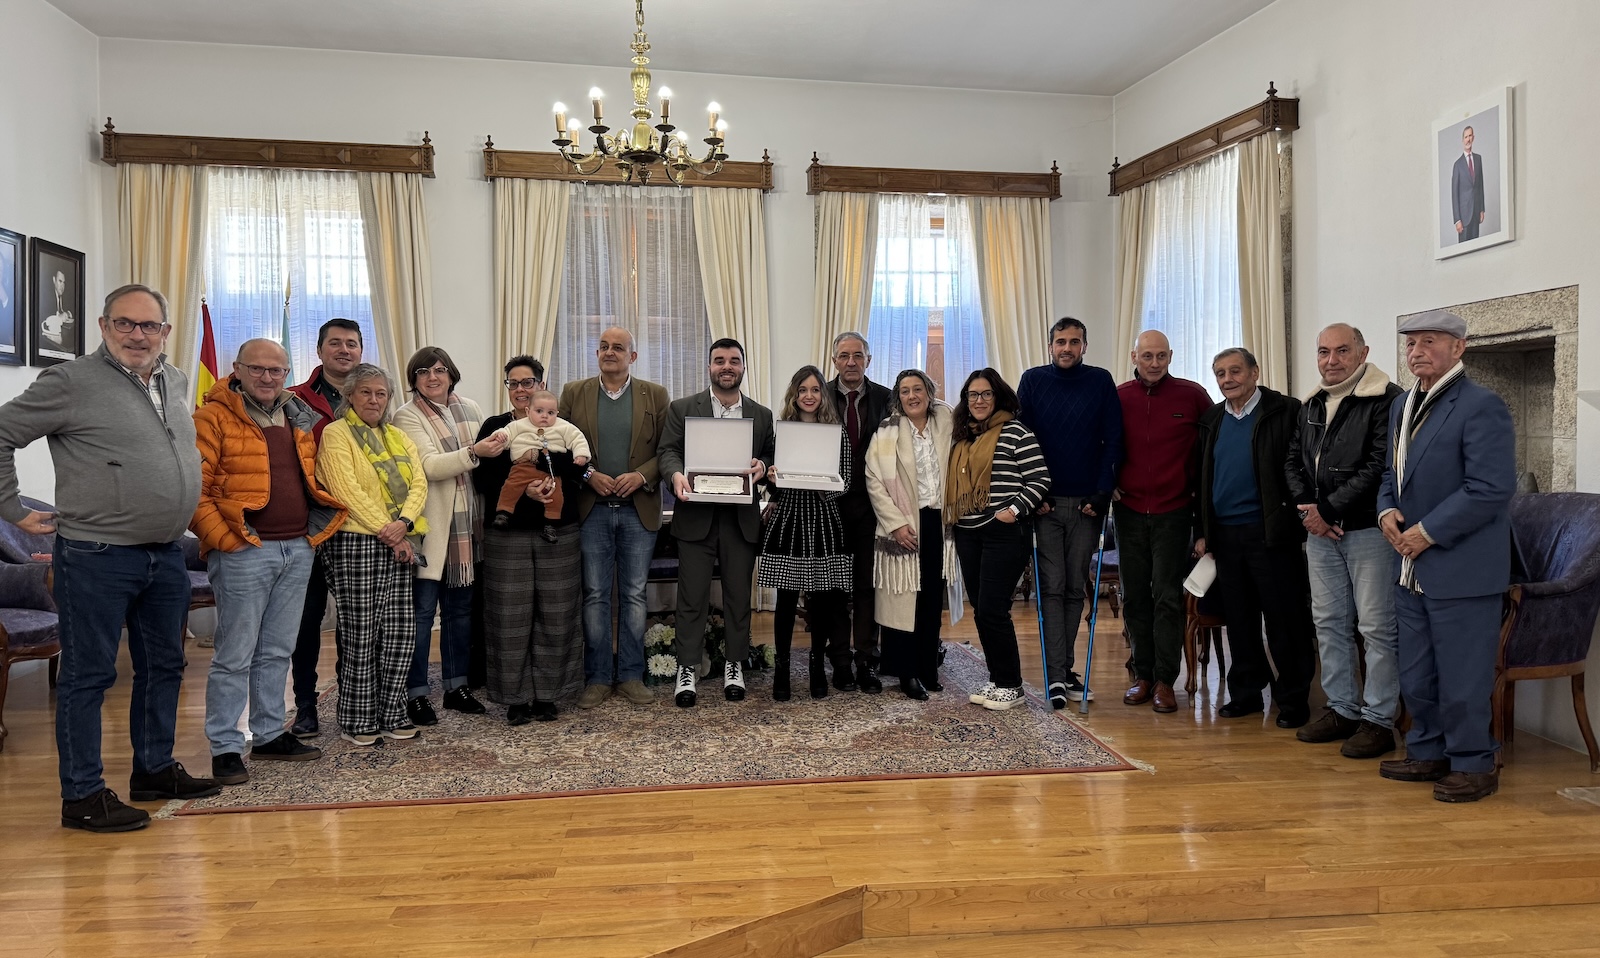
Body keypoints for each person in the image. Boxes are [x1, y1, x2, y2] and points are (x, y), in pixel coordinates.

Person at [0, 283, 220, 832]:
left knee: (164, 666)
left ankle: (154, 770)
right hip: (97, 556)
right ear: (103, 326)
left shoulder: (171, 379)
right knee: (88, 676)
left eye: (149, 326)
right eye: (125, 323)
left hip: (164, 554)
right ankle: (82, 796)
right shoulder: (71, 382)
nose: (137, 335)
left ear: (166, 333)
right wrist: (11, 510)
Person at [191, 339, 347, 783]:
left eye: (276, 370)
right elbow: (194, 490)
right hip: (245, 551)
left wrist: (309, 537)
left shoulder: (297, 415)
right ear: (236, 369)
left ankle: (267, 734)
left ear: (286, 373)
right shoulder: (211, 418)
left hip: (296, 547)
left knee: (278, 649)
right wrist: (225, 540)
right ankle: (224, 745)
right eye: (257, 369)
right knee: (234, 654)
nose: (267, 378)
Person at [1377, 310, 1514, 803]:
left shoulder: (1482, 405)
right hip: (1410, 563)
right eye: (1411, 343)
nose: (1416, 351)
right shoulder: (1402, 404)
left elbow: (1490, 488)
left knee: (1463, 673)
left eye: (1429, 341)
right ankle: (1428, 751)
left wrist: (1427, 533)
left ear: (1459, 348)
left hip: (1461, 564)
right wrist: (1385, 511)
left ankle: (1475, 764)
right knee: (1417, 672)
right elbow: (1392, 475)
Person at [1286, 324, 1404, 759]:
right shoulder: (1312, 403)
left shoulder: (1388, 399)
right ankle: (1341, 710)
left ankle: (1378, 721)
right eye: (1323, 352)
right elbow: (1293, 460)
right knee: (1330, 624)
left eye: (1341, 351)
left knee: (1376, 627)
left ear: (1362, 352)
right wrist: (1308, 510)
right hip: (1319, 532)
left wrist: (1329, 510)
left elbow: (1379, 466)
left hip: (1368, 531)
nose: (1330, 361)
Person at [1195, 347, 1316, 728]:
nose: (1227, 379)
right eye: (1220, 373)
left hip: (1271, 532)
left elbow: (1301, 468)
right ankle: (1246, 692)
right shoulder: (1212, 418)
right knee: (1240, 620)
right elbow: (1202, 479)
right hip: (1226, 535)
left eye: (1235, 371)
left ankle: (1293, 698)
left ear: (1255, 372)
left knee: (1285, 620)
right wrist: (1203, 532)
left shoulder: (1285, 411)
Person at [315, 364, 429, 747]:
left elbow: (419, 482)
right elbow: (345, 489)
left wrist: (406, 523)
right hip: (357, 542)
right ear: (350, 396)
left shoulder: (397, 436)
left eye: (381, 393)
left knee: (399, 633)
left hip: (402, 538)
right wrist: (391, 530)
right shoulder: (336, 434)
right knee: (362, 633)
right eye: (366, 392)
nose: (374, 400)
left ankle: (393, 712)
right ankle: (357, 718)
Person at [659, 338, 776, 707]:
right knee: (691, 598)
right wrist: (675, 475)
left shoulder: (761, 414)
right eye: (719, 360)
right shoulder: (682, 408)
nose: (727, 366)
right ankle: (688, 668)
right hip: (696, 516)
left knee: (738, 597)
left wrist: (762, 465)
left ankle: (734, 664)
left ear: (744, 367)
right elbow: (667, 452)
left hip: (740, 519)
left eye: (734, 361)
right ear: (709, 366)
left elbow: (771, 454)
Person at [558, 327, 671, 708]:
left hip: (638, 511)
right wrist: (589, 475)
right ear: (597, 353)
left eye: (618, 348)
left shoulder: (654, 395)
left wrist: (641, 475)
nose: (610, 352)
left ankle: (630, 675)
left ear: (632, 357)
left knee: (636, 595)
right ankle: (597, 677)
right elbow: (558, 445)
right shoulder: (575, 393)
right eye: (604, 347)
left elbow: (668, 449)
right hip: (591, 511)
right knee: (594, 596)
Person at [393, 346, 504, 728]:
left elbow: (490, 463)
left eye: (440, 370)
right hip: (433, 530)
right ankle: (417, 693)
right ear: (415, 379)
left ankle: (457, 688)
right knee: (422, 616)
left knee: (460, 613)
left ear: (451, 374)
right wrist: (474, 451)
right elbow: (429, 467)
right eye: (423, 371)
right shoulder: (405, 415)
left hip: (469, 530)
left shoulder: (472, 409)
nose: (433, 377)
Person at [471, 356, 584, 725]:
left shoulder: (561, 424)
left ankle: (549, 694)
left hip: (558, 531)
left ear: (541, 385)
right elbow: (482, 479)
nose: (521, 389)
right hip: (508, 535)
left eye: (528, 382)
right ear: (507, 388)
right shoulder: (496, 427)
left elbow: (578, 467)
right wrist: (525, 489)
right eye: (513, 383)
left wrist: (545, 473)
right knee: (510, 616)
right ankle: (515, 697)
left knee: (557, 612)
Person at [1017, 317, 1123, 707]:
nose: (1067, 348)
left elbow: (1112, 440)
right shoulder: (1032, 380)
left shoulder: (1099, 380)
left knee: (1075, 587)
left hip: (1087, 504)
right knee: (1052, 587)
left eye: (1074, 342)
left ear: (1084, 345)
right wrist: (1033, 492)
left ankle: (1066, 670)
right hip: (1044, 502)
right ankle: (1055, 674)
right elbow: (1020, 437)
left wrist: (1102, 493)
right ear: (1050, 346)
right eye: (1060, 341)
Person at [1115, 330, 1211, 714]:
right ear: (1134, 355)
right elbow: (1104, 444)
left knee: (1167, 599)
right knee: (1135, 596)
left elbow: (1210, 451)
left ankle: (1165, 681)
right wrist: (1109, 484)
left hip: (1174, 512)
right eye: (1147, 356)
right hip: (1130, 511)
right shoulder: (1119, 397)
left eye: (1161, 356)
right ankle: (1142, 674)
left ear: (1171, 356)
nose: (1154, 363)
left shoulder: (1192, 395)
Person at [948, 368, 1051, 711]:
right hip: (968, 532)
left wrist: (1013, 511)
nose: (978, 401)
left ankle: (1011, 684)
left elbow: (1039, 479)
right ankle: (997, 678)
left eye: (985, 394)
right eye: (972, 395)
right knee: (982, 609)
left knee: (994, 608)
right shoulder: (964, 439)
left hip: (1002, 532)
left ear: (999, 397)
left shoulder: (1016, 432)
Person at [285, 317, 365, 739]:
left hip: (360, 527)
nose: (344, 350)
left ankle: (355, 699)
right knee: (308, 619)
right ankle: (305, 705)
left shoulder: (373, 399)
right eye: (335, 343)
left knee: (358, 620)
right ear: (319, 351)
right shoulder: (294, 399)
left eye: (351, 343)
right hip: (313, 525)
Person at [759, 365, 854, 701]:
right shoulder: (782, 431)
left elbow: (846, 480)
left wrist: (821, 483)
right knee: (785, 599)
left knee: (823, 599)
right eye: (803, 390)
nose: (809, 396)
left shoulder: (836, 432)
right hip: (788, 519)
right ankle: (782, 668)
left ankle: (816, 665)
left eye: (815, 390)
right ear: (794, 395)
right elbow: (773, 476)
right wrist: (772, 480)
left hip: (824, 520)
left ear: (822, 395)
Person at [866, 369, 957, 701]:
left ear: (929, 393)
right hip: (903, 523)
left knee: (932, 600)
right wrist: (895, 524)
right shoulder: (887, 432)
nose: (912, 396)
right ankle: (906, 673)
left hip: (938, 521)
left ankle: (928, 667)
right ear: (898, 397)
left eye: (918, 389)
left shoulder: (947, 422)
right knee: (904, 600)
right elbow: (874, 481)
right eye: (905, 391)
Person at [827, 332, 894, 693]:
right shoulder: (816, 394)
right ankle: (839, 661)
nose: (850, 362)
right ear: (834, 360)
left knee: (868, 586)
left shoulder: (887, 399)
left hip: (873, 508)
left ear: (868, 359)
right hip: (830, 508)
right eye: (843, 356)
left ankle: (866, 660)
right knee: (836, 586)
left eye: (857, 355)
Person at [491, 390, 590, 535]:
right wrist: (500, 436)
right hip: (523, 467)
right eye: (539, 411)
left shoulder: (564, 426)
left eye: (551, 413)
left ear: (557, 413)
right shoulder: (519, 425)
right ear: (528, 411)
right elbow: (506, 434)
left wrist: (581, 454)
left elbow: (577, 439)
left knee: (556, 496)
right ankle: (503, 513)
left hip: (550, 472)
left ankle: (551, 525)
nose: (545, 416)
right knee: (511, 486)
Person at [1451, 125, 1487, 242]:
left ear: (1473, 137)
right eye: (1466, 137)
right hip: (1463, 218)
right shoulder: (1458, 165)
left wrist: (1482, 209)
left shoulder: (1478, 159)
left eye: (1470, 136)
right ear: (1463, 140)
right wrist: (1457, 220)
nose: (1468, 139)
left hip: (1476, 213)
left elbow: (1480, 186)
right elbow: (1454, 194)